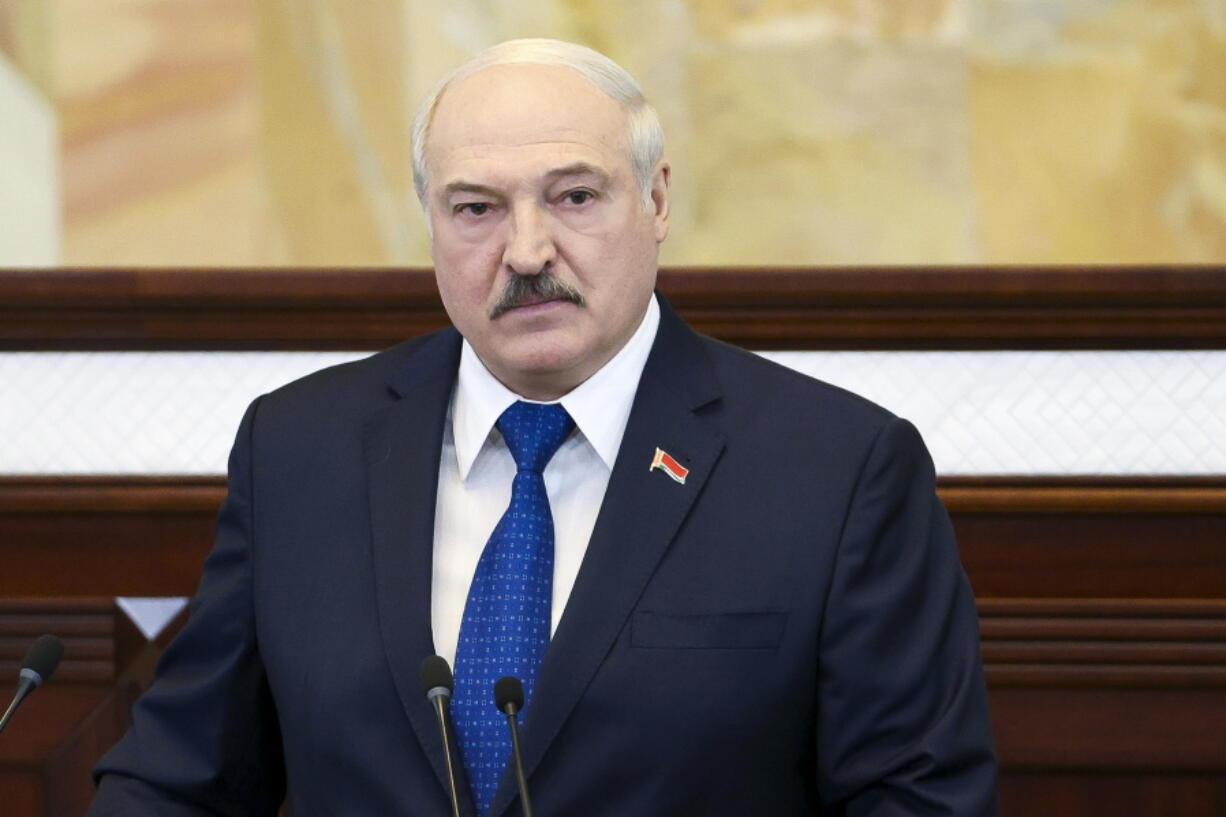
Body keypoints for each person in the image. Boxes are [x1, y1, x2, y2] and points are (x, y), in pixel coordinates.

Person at [88, 38, 997, 816]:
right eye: (477, 208)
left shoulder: (835, 469)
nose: (526, 252)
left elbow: (917, 797)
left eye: (574, 197)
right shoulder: (300, 450)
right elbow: (178, 779)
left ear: (658, 201)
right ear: (432, 227)